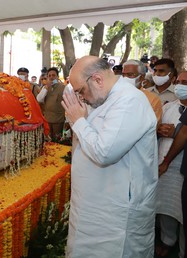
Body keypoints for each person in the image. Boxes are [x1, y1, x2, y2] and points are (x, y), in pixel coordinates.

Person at [61, 56, 158, 257]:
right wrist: (80, 119)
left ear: (97, 80)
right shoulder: (101, 98)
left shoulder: (129, 100)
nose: (82, 97)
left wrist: (78, 121)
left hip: (117, 212)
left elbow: (104, 152)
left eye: (81, 91)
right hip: (91, 205)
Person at [155, 71, 187, 258]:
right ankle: (168, 240)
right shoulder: (168, 107)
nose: (181, 85)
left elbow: (183, 134)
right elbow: (156, 130)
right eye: (179, 82)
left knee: (183, 213)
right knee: (166, 205)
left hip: (180, 164)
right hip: (165, 164)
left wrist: (176, 133)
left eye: (186, 82)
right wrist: (159, 130)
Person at [36, 67, 65, 139]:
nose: (51, 77)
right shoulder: (45, 87)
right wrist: (46, 88)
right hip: (47, 119)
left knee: (57, 140)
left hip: (58, 119)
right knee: (48, 140)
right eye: (49, 76)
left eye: (53, 75)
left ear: (57, 77)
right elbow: (39, 99)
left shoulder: (63, 87)